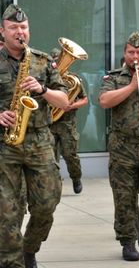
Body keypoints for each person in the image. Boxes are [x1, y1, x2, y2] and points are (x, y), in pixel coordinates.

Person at [0, 4, 69, 268]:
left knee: (47, 204)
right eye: (14, 28)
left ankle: (29, 247)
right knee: (7, 212)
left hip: (40, 141)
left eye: (24, 27)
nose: (20, 32)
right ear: (3, 31)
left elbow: (63, 101)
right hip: (5, 144)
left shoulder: (42, 61)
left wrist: (42, 89)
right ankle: (11, 261)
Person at [98, 31, 139, 261]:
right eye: (131, 52)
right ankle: (128, 241)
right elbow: (104, 101)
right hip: (122, 147)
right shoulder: (113, 77)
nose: (135, 56)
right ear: (124, 54)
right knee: (124, 199)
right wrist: (133, 85)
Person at [49, 47, 88, 194]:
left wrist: (71, 105)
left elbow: (84, 100)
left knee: (70, 155)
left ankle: (76, 177)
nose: (56, 62)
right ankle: (54, 185)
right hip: (50, 124)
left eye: (58, 60)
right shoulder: (46, 79)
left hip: (67, 124)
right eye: (54, 60)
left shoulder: (73, 79)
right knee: (50, 158)